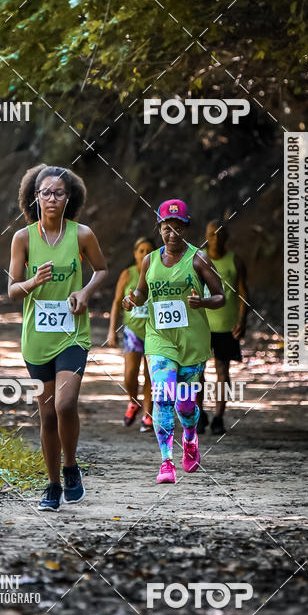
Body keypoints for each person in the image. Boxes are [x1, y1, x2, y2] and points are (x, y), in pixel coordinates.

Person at [8, 165, 108, 511]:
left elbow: (102, 270)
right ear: (35, 197)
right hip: (36, 338)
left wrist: (85, 292)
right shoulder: (23, 238)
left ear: (70, 198)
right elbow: (11, 290)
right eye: (46, 193)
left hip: (72, 335)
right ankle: (51, 484)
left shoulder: (81, 235)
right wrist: (32, 283)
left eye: (59, 193)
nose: (52, 198)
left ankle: (70, 466)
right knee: (47, 415)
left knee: (66, 405)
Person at [122, 200, 225, 483]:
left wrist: (202, 301)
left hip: (192, 342)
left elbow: (221, 296)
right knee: (163, 397)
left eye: (178, 228)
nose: (172, 234)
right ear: (159, 228)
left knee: (186, 405)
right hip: (159, 339)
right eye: (167, 228)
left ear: (186, 228)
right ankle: (166, 461)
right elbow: (142, 293)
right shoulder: (149, 260)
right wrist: (132, 299)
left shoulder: (199, 259)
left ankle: (190, 440)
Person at [196, 220, 249, 435]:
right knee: (197, 372)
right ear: (206, 236)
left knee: (222, 371)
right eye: (212, 234)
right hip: (201, 325)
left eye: (220, 234)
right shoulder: (197, 259)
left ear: (227, 236)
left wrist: (243, 319)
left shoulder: (235, 260)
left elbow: (244, 293)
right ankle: (199, 414)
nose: (216, 238)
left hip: (226, 326)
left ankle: (218, 415)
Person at [107, 237, 154, 431]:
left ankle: (148, 415)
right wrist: (112, 330)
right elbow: (117, 302)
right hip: (133, 331)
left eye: (148, 251)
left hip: (153, 330)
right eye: (141, 250)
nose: (144, 254)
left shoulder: (157, 273)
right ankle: (134, 402)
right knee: (130, 375)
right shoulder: (127, 274)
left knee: (150, 375)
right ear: (135, 253)